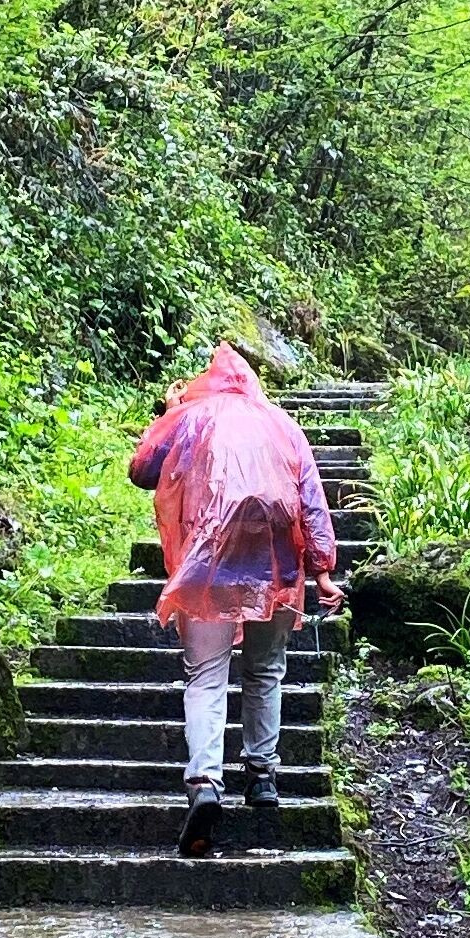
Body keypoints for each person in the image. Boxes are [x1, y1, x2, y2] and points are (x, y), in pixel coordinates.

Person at [128, 345, 341, 856]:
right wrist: (323, 571)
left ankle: (204, 782)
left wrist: (169, 411)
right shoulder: (281, 424)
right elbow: (310, 499)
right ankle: (263, 775)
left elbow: (142, 470)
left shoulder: (189, 416)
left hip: (208, 562)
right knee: (265, 671)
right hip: (277, 563)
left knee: (206, 675)